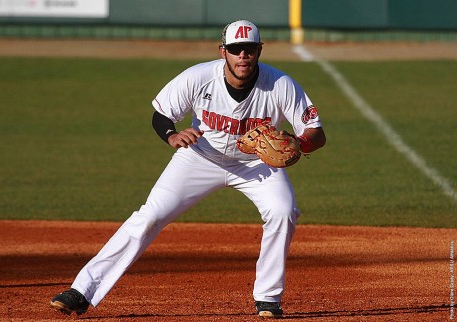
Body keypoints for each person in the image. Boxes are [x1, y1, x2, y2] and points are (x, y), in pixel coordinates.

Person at [50, 19, 326, 319]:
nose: (242, 56)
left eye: (248, 49)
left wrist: (299, 143)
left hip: (255, 165)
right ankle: (82, 291)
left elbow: (316, 133)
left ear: (259, 50)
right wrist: (172, 135)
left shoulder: (280, 84)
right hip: (199, 158)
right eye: (236, 49)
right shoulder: (198, 77)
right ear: (224, 52)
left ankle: (268, 299)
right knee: (151, 215)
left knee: (283, 211)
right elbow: (161, 115)